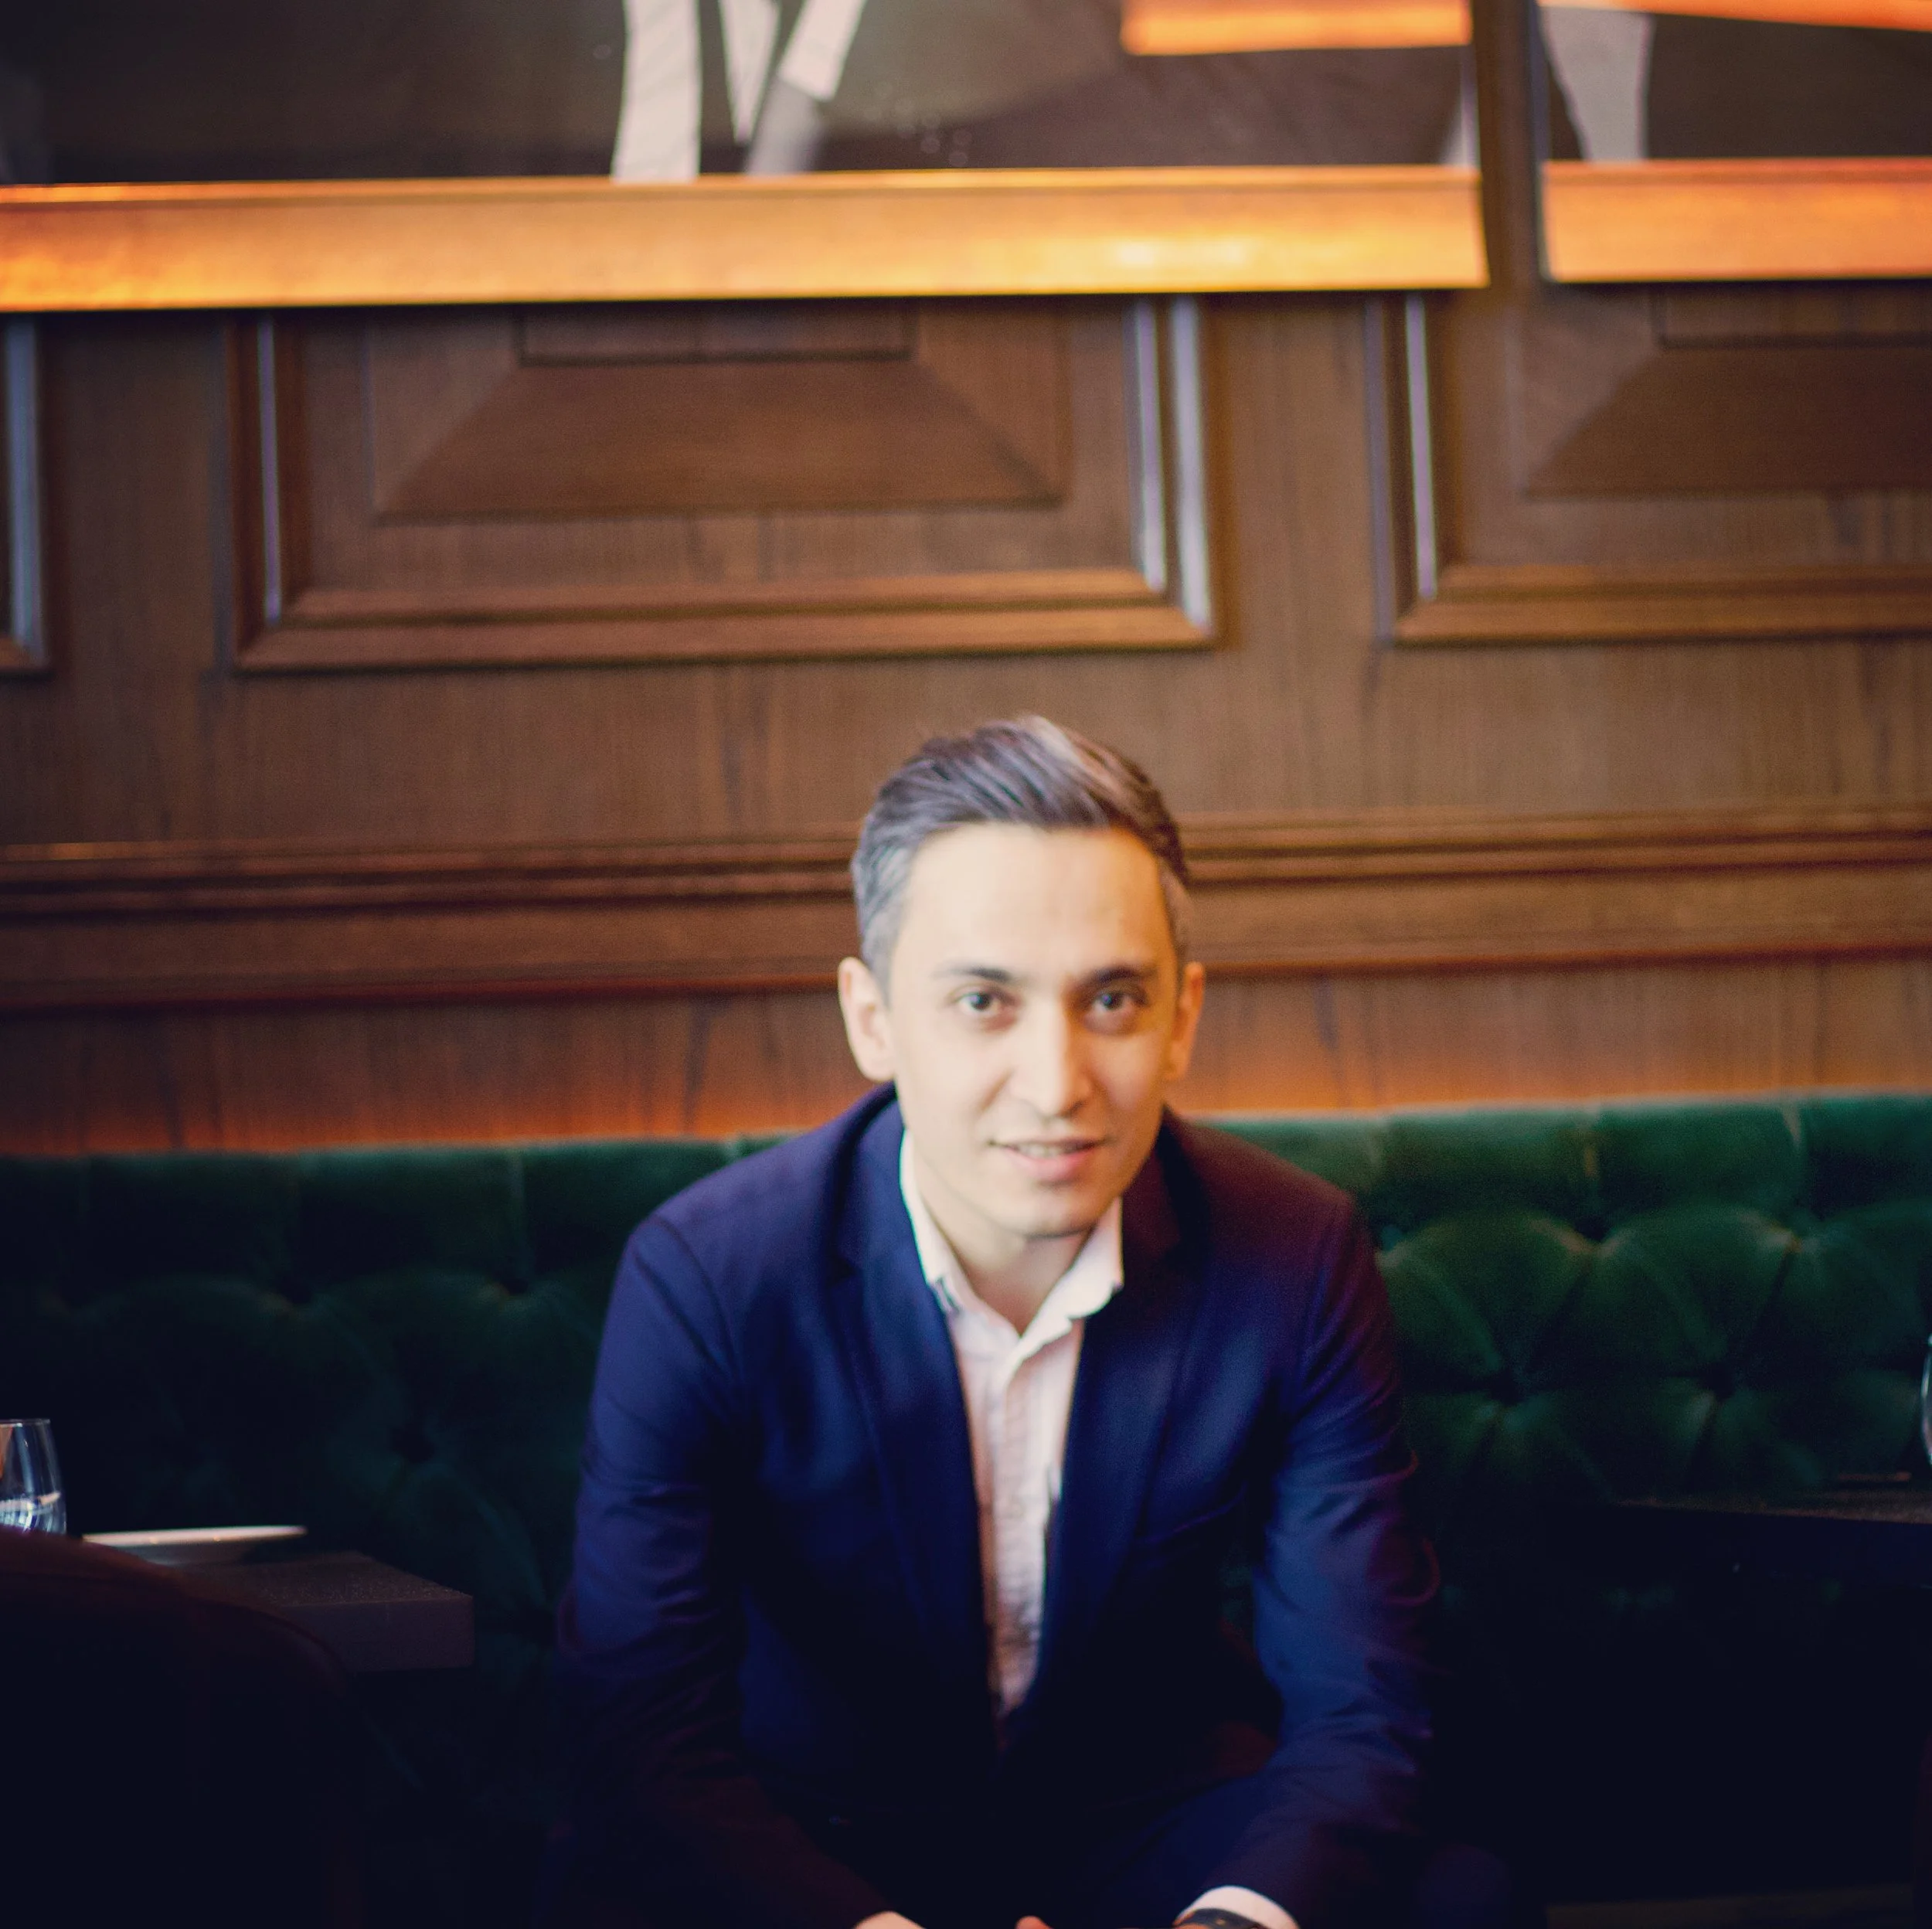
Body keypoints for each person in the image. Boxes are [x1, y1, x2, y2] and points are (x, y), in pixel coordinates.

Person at [551, 716, 1471, 1929]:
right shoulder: (706, 1275)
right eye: (984, 1000)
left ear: (1183, 1017)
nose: (1057, 1082)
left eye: (1114, 1001)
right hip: (817, 1852)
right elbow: (645, 1738)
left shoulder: (1295, 1256)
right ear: (873, 1019)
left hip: (1141, 1836)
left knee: (1464, 1901)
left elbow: (1364, 1708)